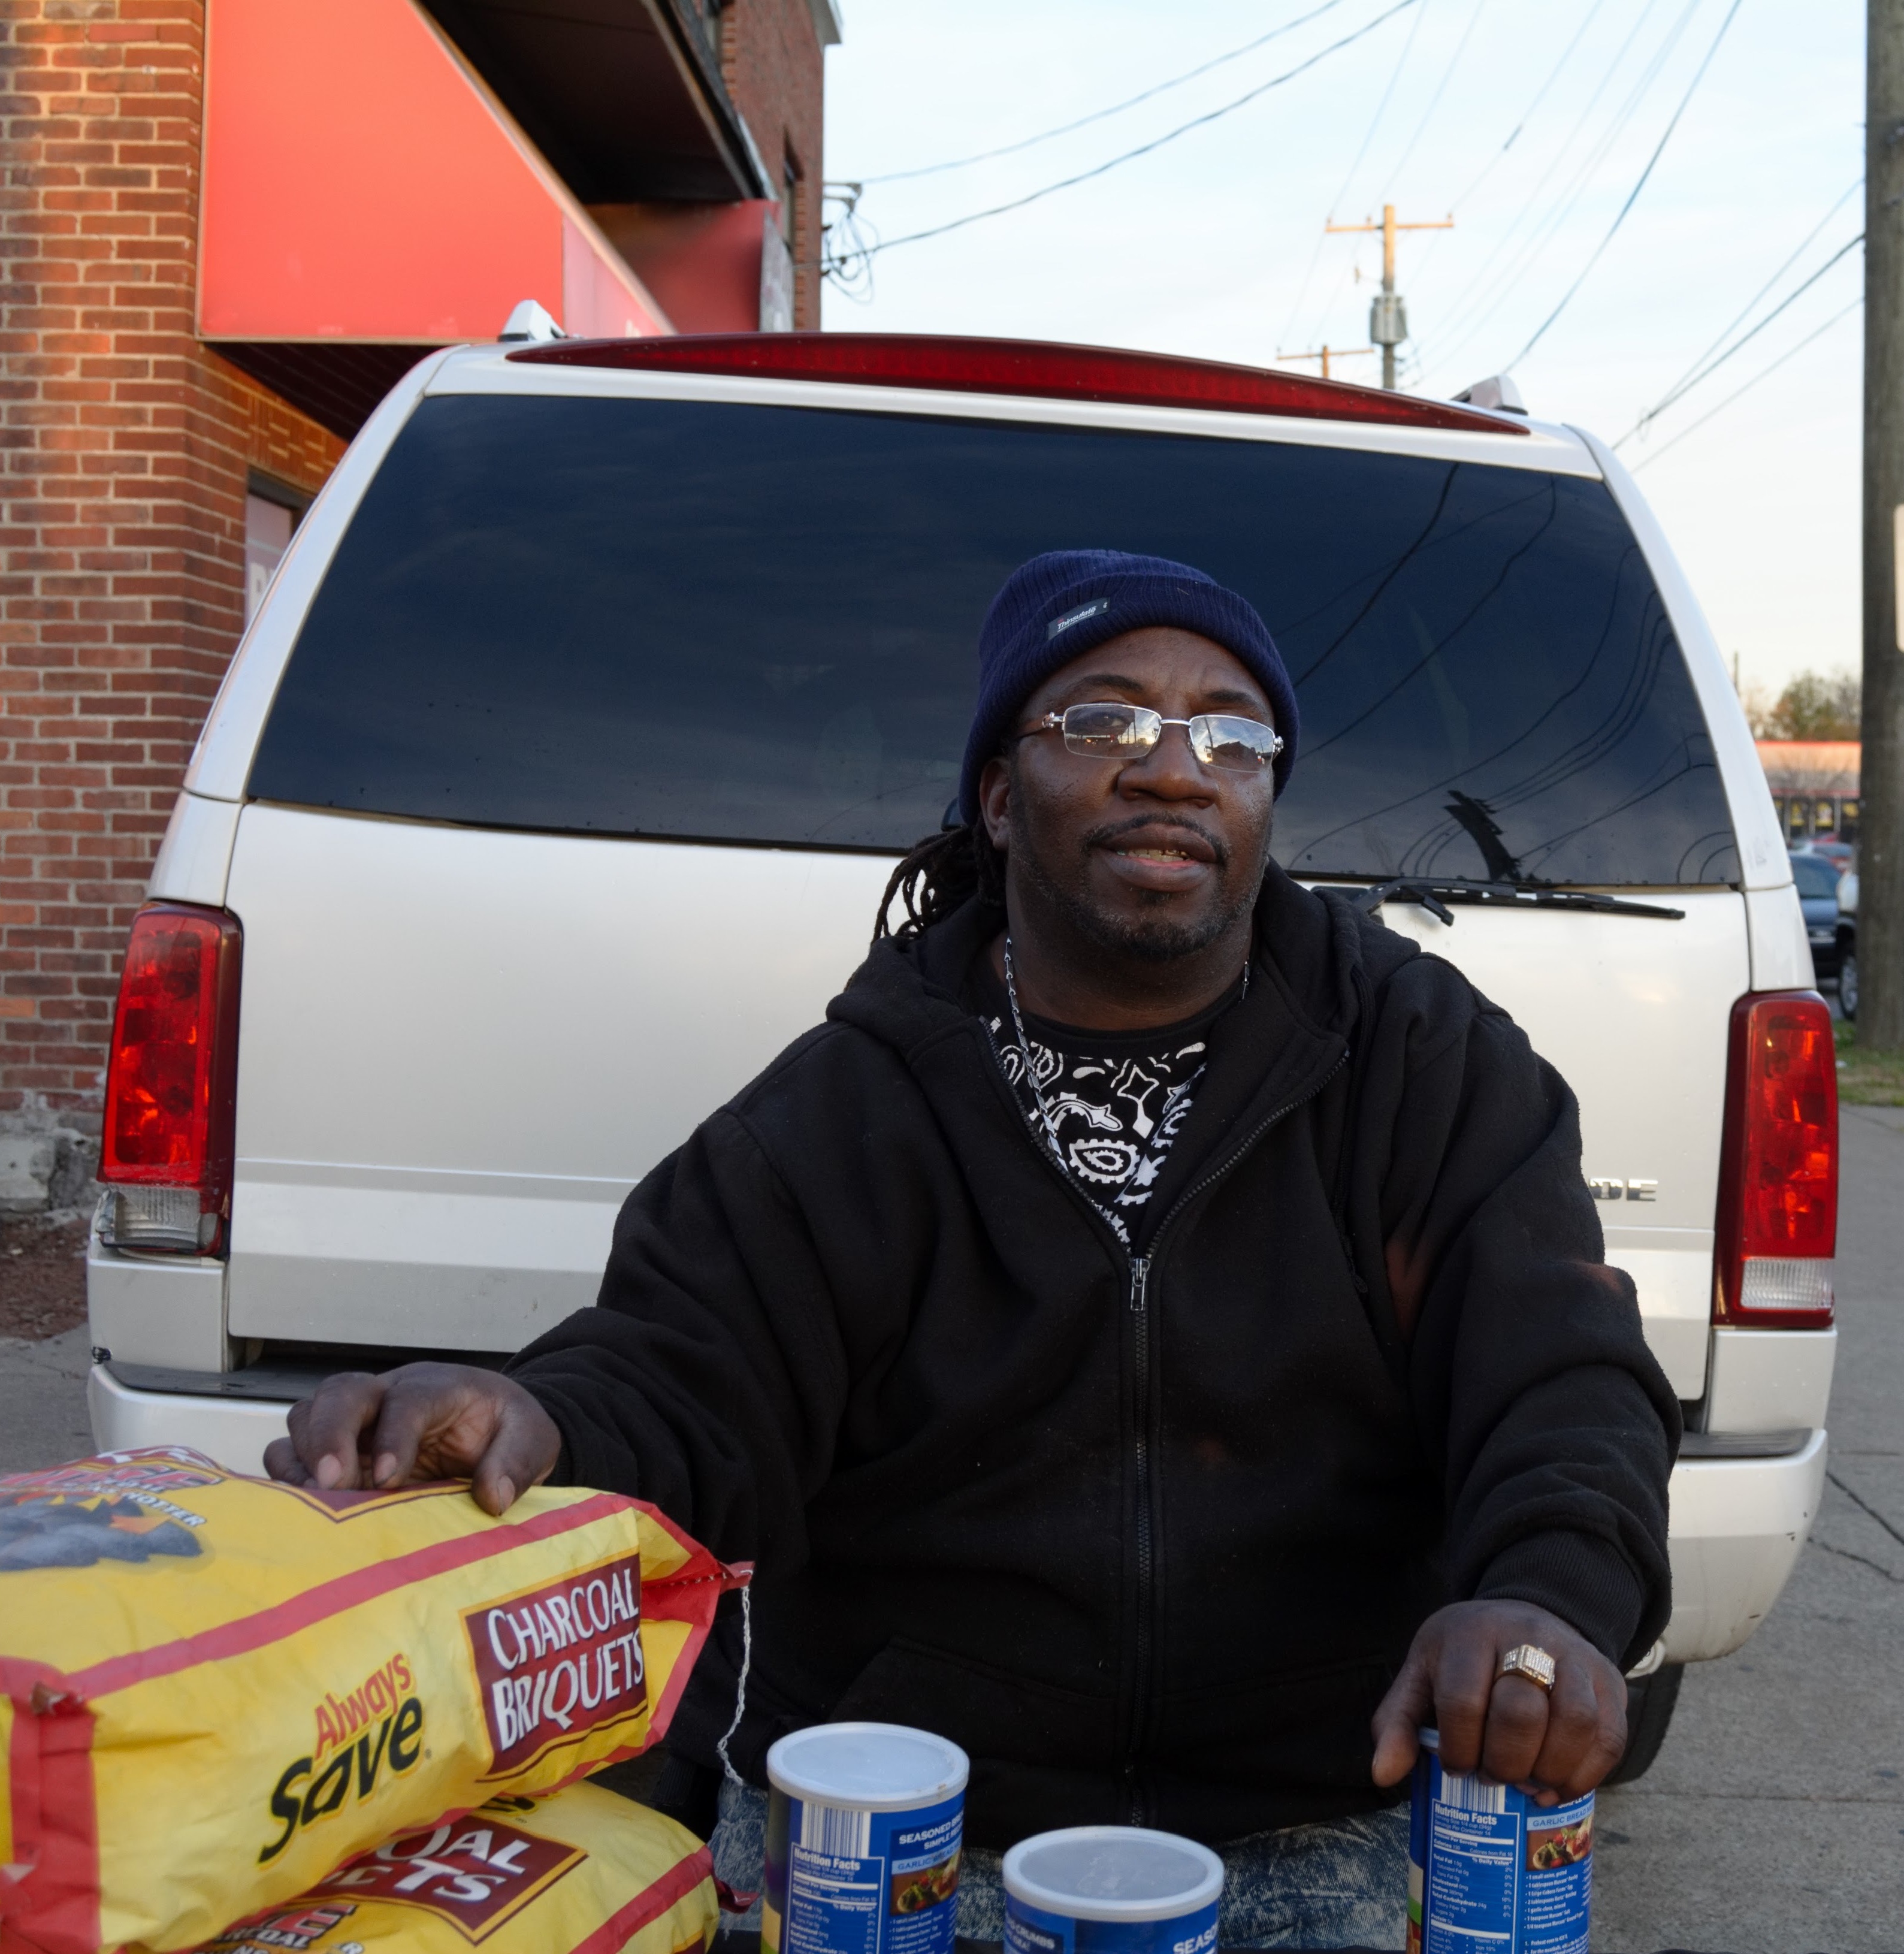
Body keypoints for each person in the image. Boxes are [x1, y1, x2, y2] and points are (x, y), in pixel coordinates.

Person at [268, 550, 1678, 1947]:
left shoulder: (1419, 1064)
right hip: (902, 1818)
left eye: (1232, 734)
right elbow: (685, 1376)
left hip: (1305, 1811)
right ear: (999, 796)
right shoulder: (849, 1109)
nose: (1175, 767)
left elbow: (1560, 1370)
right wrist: (536, 1412)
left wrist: (1547, 1594)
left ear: (1264, 798)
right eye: (1105, 720)